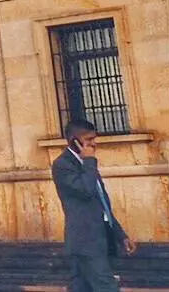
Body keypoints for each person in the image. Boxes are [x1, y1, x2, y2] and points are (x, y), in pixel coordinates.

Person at [53, 119, 136, 292]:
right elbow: (86, 190)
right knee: (107, 286)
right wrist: (89, 162)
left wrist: (120, 235)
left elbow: (101, 203)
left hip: (99, 236)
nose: (93, 144)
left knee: (81, 287)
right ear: (74, 140)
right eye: (88, 140)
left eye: (94, 139)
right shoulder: (63, 165)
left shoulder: (87, 164)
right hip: (86, 240)